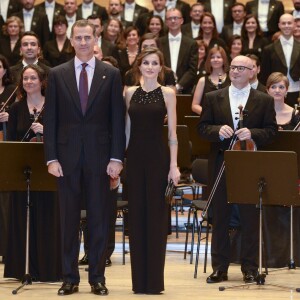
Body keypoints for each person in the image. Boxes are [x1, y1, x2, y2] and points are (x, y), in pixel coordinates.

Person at [43, 20, 125, 296]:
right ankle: (69, 278)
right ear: (71, 40)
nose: (82, 42)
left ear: (95, 38)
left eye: (87, 37)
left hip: (101, 159)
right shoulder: (56, 74)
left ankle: (97, 278)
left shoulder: (111, 73)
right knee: (67, 220)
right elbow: (51, 119)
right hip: (65, 160)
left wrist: (116, 158)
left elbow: (117, 120)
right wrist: (51, 158)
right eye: (77, 38)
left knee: (100, 220)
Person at [198, 55, 277, 284]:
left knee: (249, 217)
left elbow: (272, 132)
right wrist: (216, 131)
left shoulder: (263, 100)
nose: (235, 71)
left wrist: (253, 133)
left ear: (252, 71)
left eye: (241, 68)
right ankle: (219, 267)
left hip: (250, 165)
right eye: (232, 67)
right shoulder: (213, 97)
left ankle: (250, 267)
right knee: (220, 216)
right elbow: (202, 128)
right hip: (222, 163)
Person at [125, 47, 180, 294]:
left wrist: (174, 165)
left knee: (156, 219)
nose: (150, 67)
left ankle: (155, 283)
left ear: (161, 67)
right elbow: (126, 131)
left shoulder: (168, 93)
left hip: (158, 160)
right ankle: (139, 283)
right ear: (139, 66)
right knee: (136, 218)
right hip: (134, 160)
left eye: (154, 63)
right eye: (145, 62)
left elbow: (173, 134)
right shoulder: (129, 93)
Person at [4, 64, 62, 282]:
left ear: (42, 81)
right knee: (21, 216)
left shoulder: (54, 106)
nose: (28, 82)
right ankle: (23, 268)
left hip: (49, 170)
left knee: (48, 215)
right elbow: (11, 141)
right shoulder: (16, 109)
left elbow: (65, 136)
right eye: (25, 78)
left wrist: (46, 132)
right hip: (23, 172)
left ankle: (48, 268)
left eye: (33, 78)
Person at [260, 14, 300, 107]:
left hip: (297, 91)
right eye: (283, 23)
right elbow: (264, 75)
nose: (286, 26)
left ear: (294, 25)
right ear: (279, 25)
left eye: (289, 23)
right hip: (275, 92)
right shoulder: (268, 49)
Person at [158, 8, 198, 94]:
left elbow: (192, 69)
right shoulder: (159, 42)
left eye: (176, 18)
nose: (173, 21)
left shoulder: (191, 43)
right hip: (162, 89)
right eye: (169, 18)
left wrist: (178, 86)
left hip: (185, 90)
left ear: (182, 20)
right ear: (166, 22)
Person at [192, 46, 230, 115]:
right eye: (212, 57)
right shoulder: (202, 80)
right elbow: (194, 106)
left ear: (224, 59)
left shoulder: (231, 79)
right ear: (209, 60)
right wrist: (209, 115)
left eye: (218, 57)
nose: (215, 60)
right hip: (208, 121)